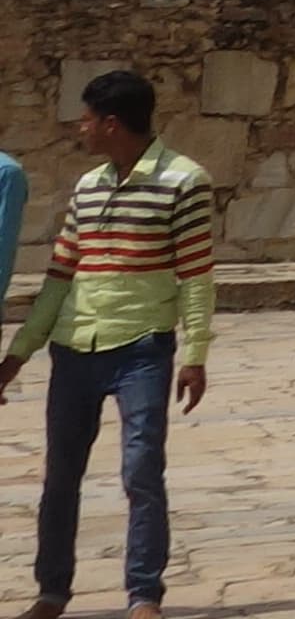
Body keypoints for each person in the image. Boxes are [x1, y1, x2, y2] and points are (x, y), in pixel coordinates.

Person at [2, 71, 215, 617]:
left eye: (87, 118)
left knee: (141, 470)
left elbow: (195, 275)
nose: (81, 127)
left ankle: (144, 594)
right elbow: (59, 276)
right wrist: (19, 354)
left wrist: (194, 356)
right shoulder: (87, 185)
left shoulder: (184, 182)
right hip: (75, 348)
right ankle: (52, 591)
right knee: (60, 475)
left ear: (111, 123)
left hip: (142, 346)